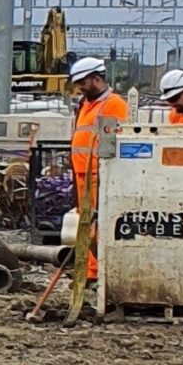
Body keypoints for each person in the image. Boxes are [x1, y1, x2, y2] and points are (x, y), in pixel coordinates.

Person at [65, 55, 129, 304]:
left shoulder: (113, 105)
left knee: (99, 227)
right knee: (87, 227)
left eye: (83, 82)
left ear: (97, 78)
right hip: (84, 177)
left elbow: (117, 142)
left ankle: (98, 272)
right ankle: (90, 271)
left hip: (100, 177)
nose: (80, 87)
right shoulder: (86, 105)